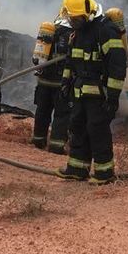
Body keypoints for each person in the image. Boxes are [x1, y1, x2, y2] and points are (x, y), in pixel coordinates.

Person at [55, 0, 127, 185]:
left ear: (87, 12)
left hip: (99, 94)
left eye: (76, 19)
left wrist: (112, 97)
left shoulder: (105, 30)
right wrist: (65, 83)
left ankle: (104, 172)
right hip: (79, 92)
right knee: (77, 128)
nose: (72, 22)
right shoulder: (77, 33)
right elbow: (70, 61)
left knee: (97, 131)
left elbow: (117, 66)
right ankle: (77, 168)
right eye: (71, 18)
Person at [30, 14, 73, 154]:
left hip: (43, 82)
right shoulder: (73, 35)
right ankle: (56, 145)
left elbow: (38, 59)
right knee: (61, 115)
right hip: (61, 83)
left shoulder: (49, 32)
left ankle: (38, 140)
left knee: (42, 111)